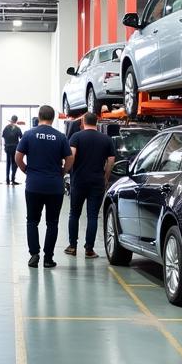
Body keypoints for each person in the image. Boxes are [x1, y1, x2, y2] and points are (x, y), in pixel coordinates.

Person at [15, 104, 73, 268]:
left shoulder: (29, 134)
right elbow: (69, 158)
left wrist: (27, 170)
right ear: (52, 118)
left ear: (39, 117)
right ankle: (48, 258)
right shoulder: (60, 137)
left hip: (33, 185)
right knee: (52, 222)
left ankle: (34, 255)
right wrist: (63, 171)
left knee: (32, 220)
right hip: (55, 186)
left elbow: (18, 157)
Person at [65, 111, 116, 258]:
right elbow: (111, 160)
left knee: (74, 214)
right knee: (93, 216)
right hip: (97, 181)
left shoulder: (76, 137)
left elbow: (71, 155)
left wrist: (68, 171)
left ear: (82, 123)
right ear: (97, 123)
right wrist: (105, 177)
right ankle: (89, 249)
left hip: (79, 181)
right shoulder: (106, 139)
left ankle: (72, 247)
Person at [2, 115, 22, 185]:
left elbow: (3, 137)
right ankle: (13, 179)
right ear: (16, 120)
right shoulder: (17, 128)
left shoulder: (6, 128)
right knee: (14, 163)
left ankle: (7, 180)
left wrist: (5, 146)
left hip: (8, 147)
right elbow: (21, 137)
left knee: (8, 163)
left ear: (11, 119)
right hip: (15, 148)